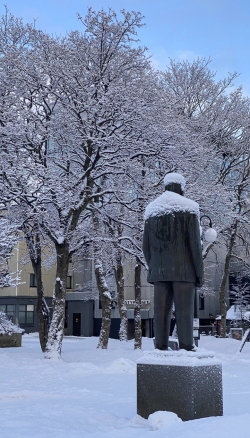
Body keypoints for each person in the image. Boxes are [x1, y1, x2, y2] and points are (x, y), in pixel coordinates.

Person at [142, 172, 204, 351]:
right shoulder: (190, 209)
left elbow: (145, 247)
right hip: (184, 273)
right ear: (181, 188)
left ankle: (160, 346)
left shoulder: (151, 210)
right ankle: (186, 346)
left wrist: (154, 266)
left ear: (165, 187)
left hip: (159, 272)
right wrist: (199, 273)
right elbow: (195, 247)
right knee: (184, 312)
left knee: (160, 312)